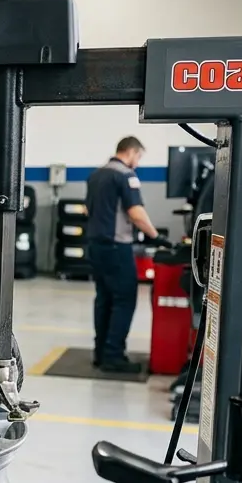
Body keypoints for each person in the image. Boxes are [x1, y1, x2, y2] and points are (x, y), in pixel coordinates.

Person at [84, 136, 159, 374]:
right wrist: (156, 236)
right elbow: (136, 213)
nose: (137, 163)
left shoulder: (96, 175)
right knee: (125, 299)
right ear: (131, 152)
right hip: (117, 247)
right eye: (138, 157)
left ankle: (100, 354)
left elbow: (89, 209)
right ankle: (114, 356)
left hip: (96, 245)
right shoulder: (126, 176)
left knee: (104, 298)